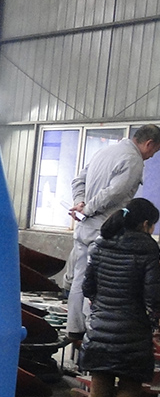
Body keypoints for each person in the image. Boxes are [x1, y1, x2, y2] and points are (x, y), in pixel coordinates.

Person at [79, 197, 160, 397]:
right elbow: (153, 296)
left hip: (99, 326)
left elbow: (88, 287)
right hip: (132, 330)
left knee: (101, 380)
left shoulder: (101, 244)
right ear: (146, 224)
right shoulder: (148, 248)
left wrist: (102, 307)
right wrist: (155, 321)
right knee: (131, 384)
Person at [67, 124, 160, 338]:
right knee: (99, 283)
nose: (152, 156)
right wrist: (87, 209)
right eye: (155, 151)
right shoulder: (133, 159)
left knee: (80, 278)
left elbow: (78, 180)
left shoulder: (105, 151)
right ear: (149, 143)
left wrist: (80, 203)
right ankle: (93, 332)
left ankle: (75, 328)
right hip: (104, 229)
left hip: (84, 227)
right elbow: (115, 193)